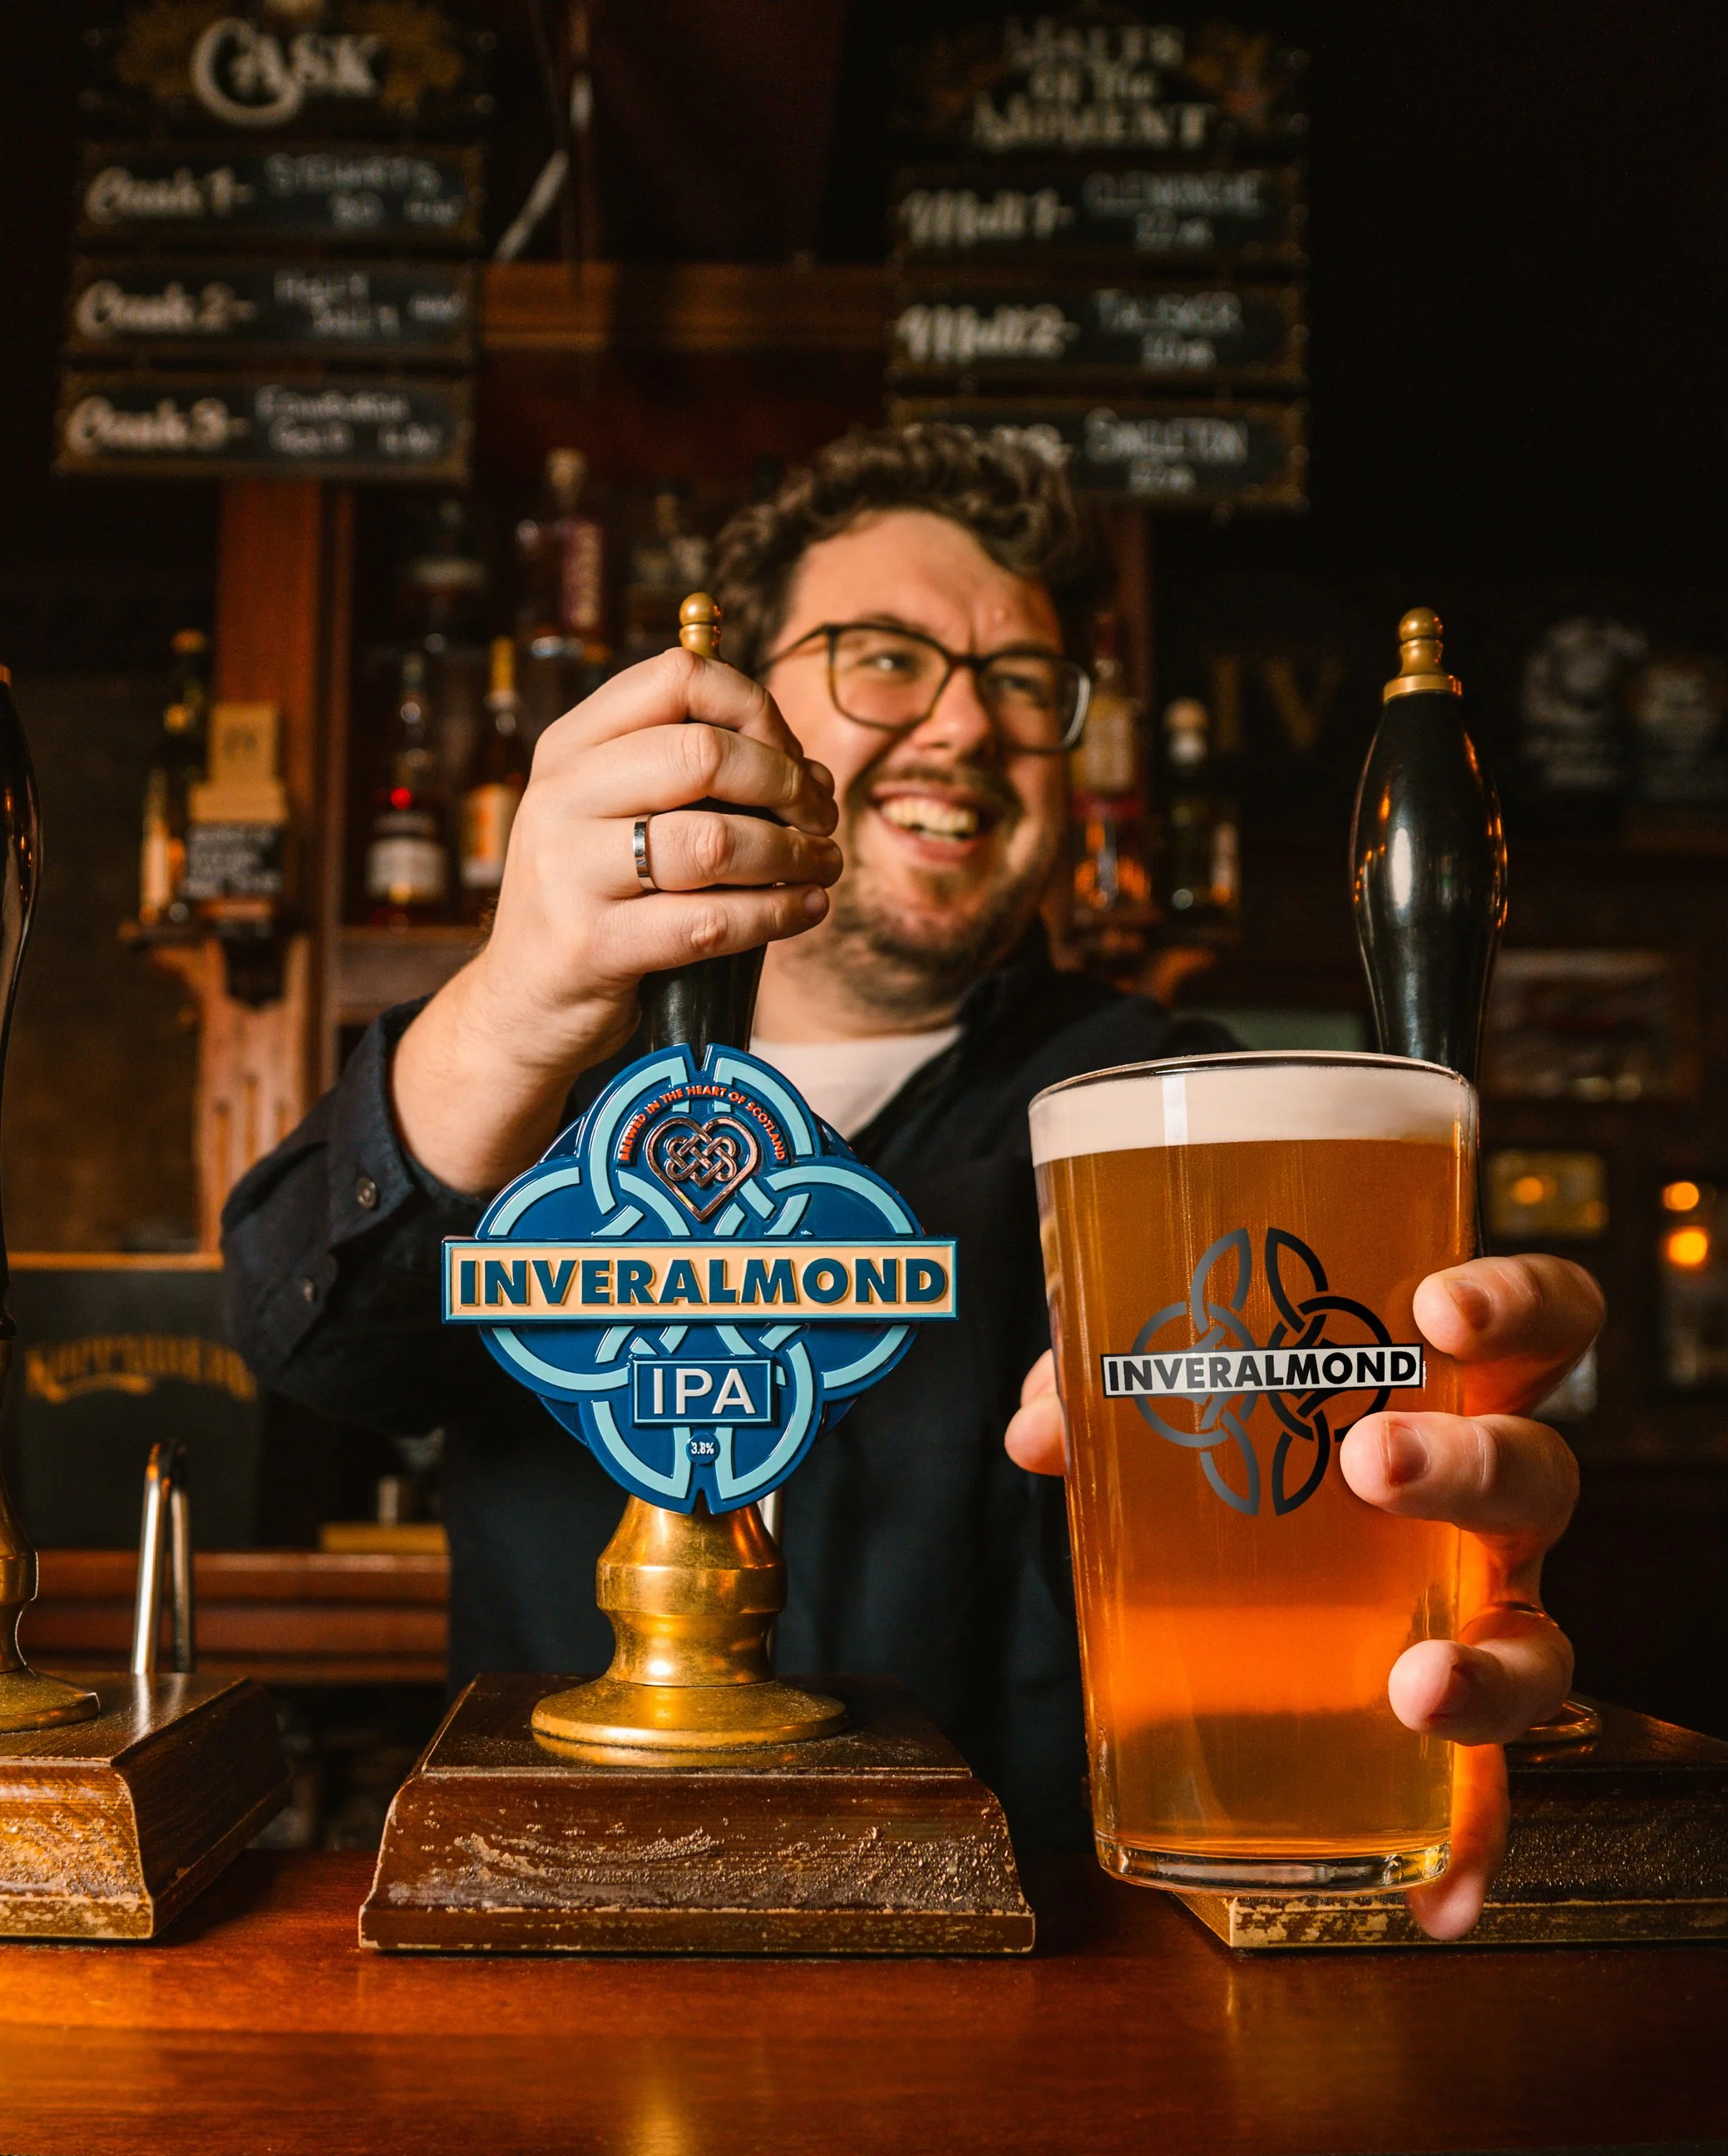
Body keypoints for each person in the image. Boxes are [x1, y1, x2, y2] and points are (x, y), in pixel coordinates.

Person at [224, 424, 1601, 1939]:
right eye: (885, 658)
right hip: (576, 1929)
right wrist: (516, 995)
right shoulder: (546, 1078)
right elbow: (312, 1340)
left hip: (1056, 1983)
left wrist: (1454, 1523)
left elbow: (1365, 1416)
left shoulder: (1171, 1112)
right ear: (740, 706)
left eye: (1022, 685)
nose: (965, 728)